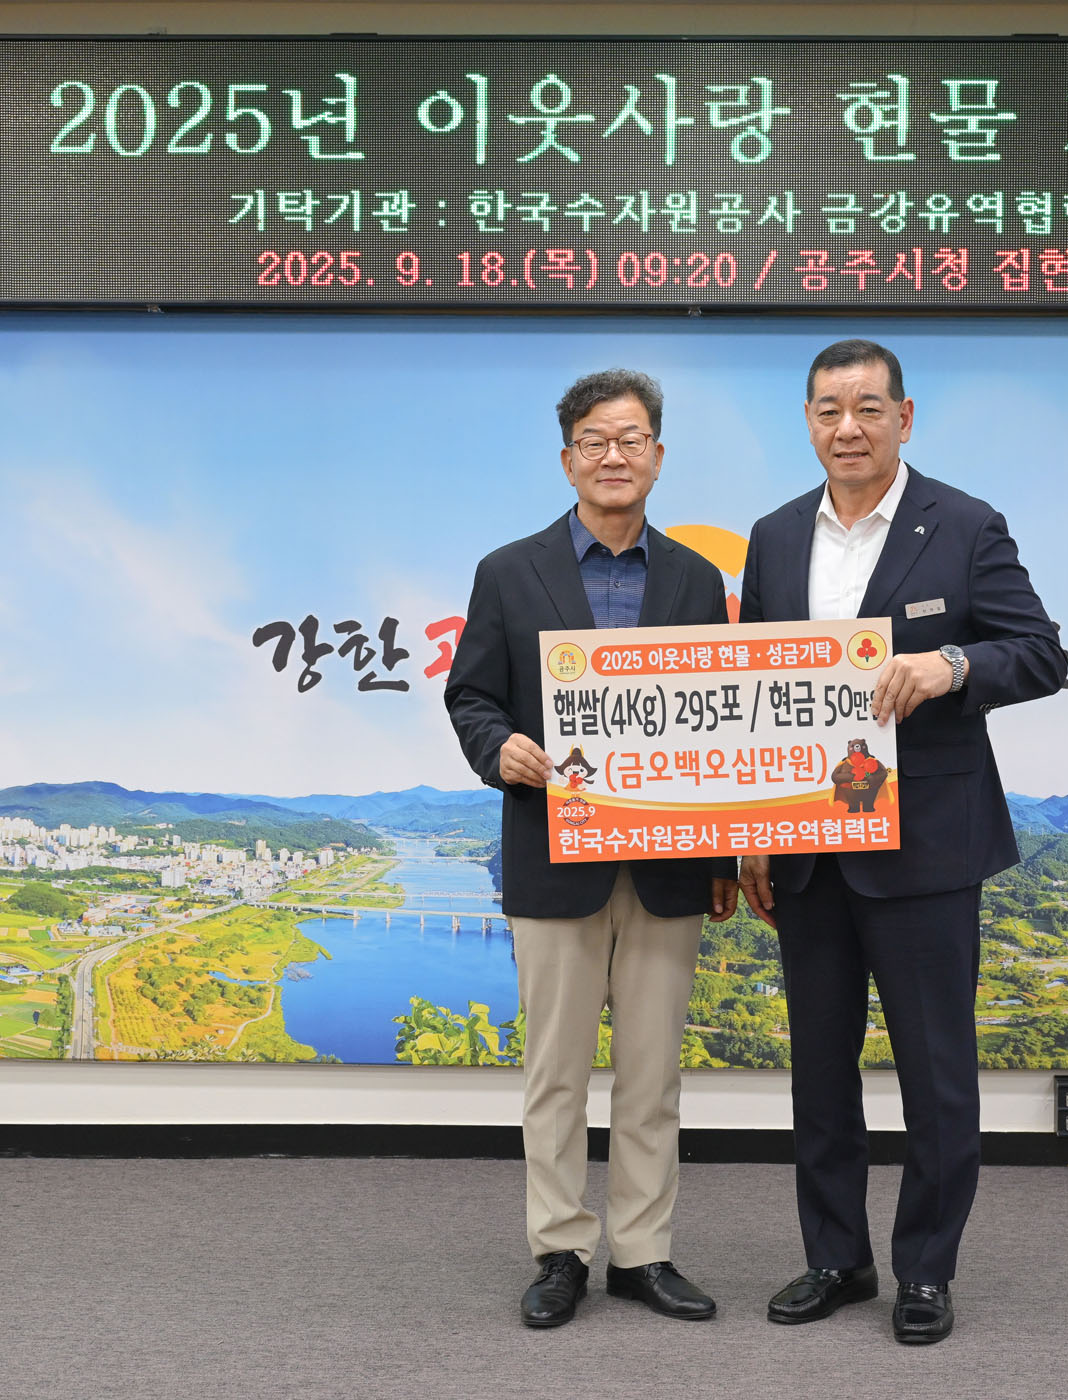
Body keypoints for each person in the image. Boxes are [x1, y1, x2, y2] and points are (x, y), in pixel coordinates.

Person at [736, 339, 1065, 1345]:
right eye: (829, 410)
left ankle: (926, 1270)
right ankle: (835, 1257)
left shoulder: (964, 525)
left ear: (905, 417)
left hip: (925, 844)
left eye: (869, 408)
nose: (849, 428)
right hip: (806, 843)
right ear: (808, 421)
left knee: (936, 1072)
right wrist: (755, 831)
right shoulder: (774, 535)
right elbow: (758, 696)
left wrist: (950, 665)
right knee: (819, 1072)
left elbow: (1040, 653)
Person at [445, 368, 738, 1329]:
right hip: (552, 855)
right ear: (568, 457)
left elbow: (720, 726)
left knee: (653, 1077)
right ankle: (561, 1250)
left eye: (632, 439)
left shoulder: (696, 580)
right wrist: (499, 748)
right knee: (557, 1076)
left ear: (658, 454)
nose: (614, 455)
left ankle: (643, 1253)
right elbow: (471, 695)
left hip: (666, 864)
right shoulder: (508, 571)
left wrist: (725, 854)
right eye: (595, 441)